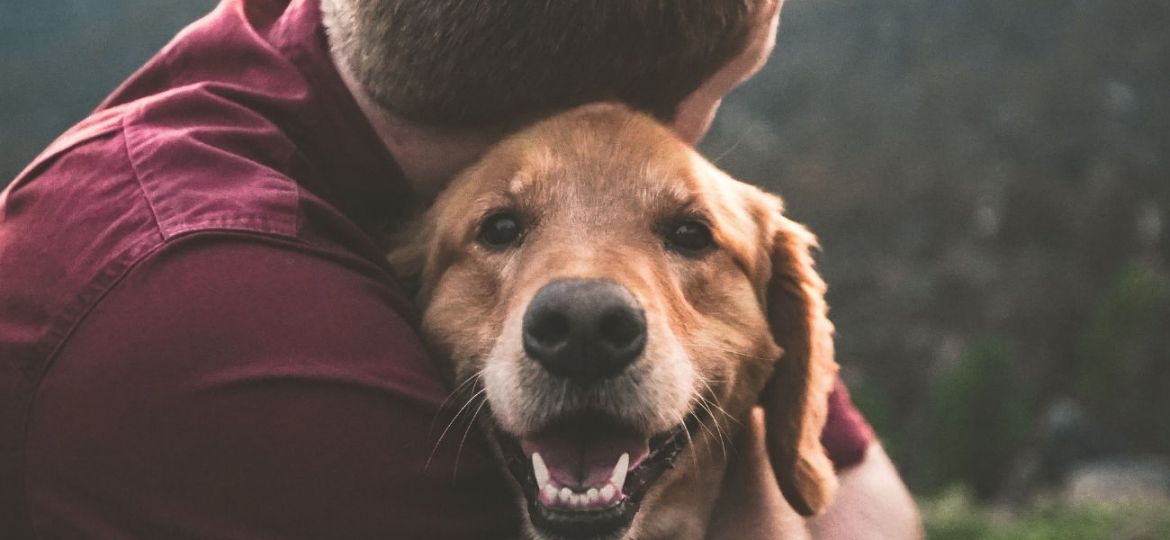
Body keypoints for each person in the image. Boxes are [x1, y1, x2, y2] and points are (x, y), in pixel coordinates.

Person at [0, 0, 920, 537]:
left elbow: (865, 498)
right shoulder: (247, 337)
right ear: (598, 104)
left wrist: (755, 437)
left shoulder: (352, 40)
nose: (590, 294)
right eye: (723, 95)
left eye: (680, 232)